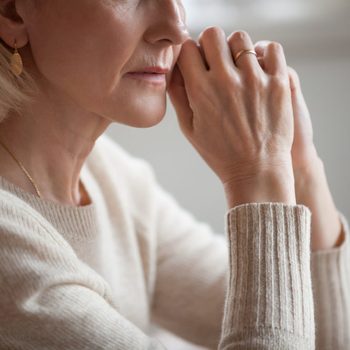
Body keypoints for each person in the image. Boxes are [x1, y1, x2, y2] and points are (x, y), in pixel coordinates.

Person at [0, 0, 348, 349]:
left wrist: (298, 168)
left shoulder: (109, 176)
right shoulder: (8, 244)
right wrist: (257, 174)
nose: (177, 28)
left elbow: (309, 329)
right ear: (12, 13)